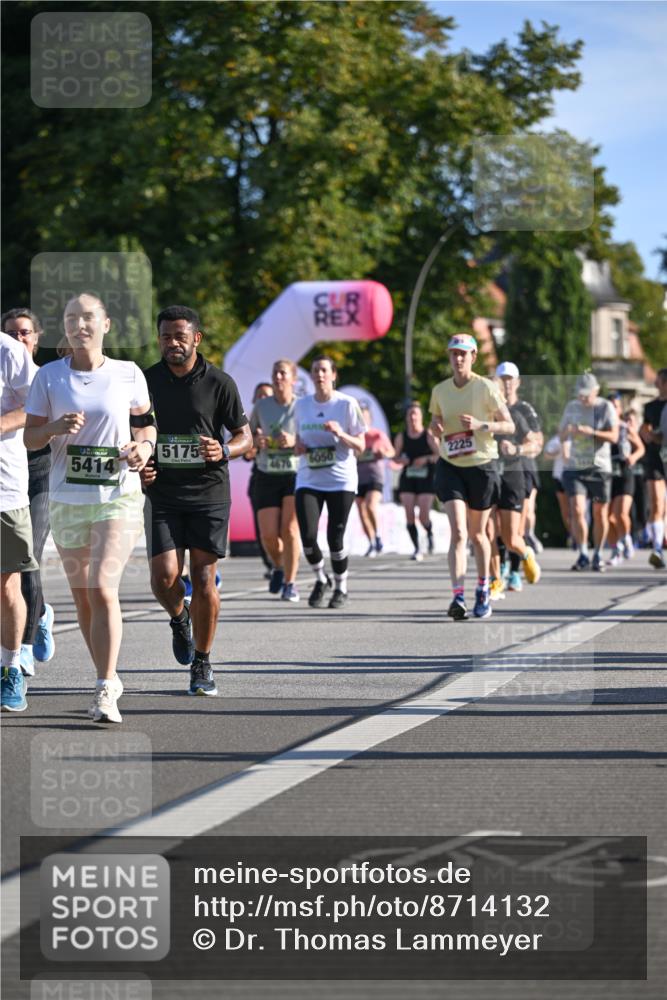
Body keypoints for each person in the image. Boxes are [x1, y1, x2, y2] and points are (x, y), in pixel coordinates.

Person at [24, 293, 156, 723]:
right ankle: (105, 675)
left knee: (102, 587)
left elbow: (146, 422)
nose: (79, 324)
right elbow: (29, 438)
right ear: (63, 327)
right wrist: (54, 428)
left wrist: (143, 447)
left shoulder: (127, 373)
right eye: (70, 318)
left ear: (106, 325)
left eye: (88, 317)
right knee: (83, 598)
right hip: (67, 497)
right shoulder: (49, 376)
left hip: (117, 494)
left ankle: (105, 685)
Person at [141, 305, 251, 695]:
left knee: (204, 577)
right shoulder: (145, 381)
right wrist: (141, 466)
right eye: (166, 336)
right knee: (163, 579)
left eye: (180, 336)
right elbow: (132, 432)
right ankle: (178, 617)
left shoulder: (220, 383)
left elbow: (245, 437)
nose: (172, 343)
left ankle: (202, 663)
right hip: (163, 492)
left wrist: (224, 449)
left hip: (209, 493)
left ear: (196, 339)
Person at [429, 333, 514, 620]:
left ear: (474, 357)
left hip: (481, 466)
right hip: (450, 465)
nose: (459, 359)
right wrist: (436, 426)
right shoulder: (440, 390)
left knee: (478, 535)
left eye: (464, 354)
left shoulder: (486, 388)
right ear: (449, 356)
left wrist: (482, 424)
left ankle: (483, 589)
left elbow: (509, 425)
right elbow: (434, 423)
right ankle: (457, 596)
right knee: (459, 532)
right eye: (454, 353)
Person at [1, 309, 55, 675]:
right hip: (17, 465)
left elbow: (38, 408)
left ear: (35, 337)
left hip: (36, 470)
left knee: (28, 561)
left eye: (26, 332)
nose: (21, 338)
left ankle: (19, 650)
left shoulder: (18, 360)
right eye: (13, 331)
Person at [294, 355, 365, 609]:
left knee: (336, 538)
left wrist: (340, 433)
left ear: (333, 375)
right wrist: (297, 446)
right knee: (309, 536)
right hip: (308, 478)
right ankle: (321, 578)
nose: (319, 375)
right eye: (315, 370)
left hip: (340, 479)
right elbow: (297, 442)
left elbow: (361, 445)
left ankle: (341, 586)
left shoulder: (347, 404)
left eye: (324, 370)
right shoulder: (301, 405)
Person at [1, 332, 38, 712]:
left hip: (4, 491)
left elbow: (35, 407)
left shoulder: (8, 350)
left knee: (7, 586)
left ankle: (11, 668)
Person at [250, 359, 301, 602]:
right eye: (275, 373)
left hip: (295, 473)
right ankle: (279, 566)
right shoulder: (261, 407)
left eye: (282, 373)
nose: (277, 377)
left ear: (293, 379)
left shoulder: (303, 407)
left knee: (289, 530)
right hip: (266, 473)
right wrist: (256, 443)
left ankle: (290, 583)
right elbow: (247, 444)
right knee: (269, 535)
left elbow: (313, 440)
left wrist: (294, 442)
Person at [559, 372, 619, 572]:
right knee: (577, 509)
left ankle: (598, 553)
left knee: (599, 512)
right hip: (575, 466)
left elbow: (614, 436)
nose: (582, 398)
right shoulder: (571, 407)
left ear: (596, 391)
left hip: (600, 467)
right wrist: (568, 433)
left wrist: (591, 432)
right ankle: (583, 552)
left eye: (586, 394)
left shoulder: (606, 407)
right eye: (580, 394)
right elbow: (561, 434)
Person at [493, 362, 541, 592]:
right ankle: (499, 569)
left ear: (518, 382)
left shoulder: (524, 410)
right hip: (494, 472)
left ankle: (514, 570)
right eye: (502, 378)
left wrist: (517, 450)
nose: (506, 382)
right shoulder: (490, 408)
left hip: (522, 470)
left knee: (516, 527)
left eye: (510, 378)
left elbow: (537, 443)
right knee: (495, 527)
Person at [394, 401, 439, 561]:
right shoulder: (402, 436)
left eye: (416, 414)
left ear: (421, 417)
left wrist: (425, 459)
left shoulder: (428, 435)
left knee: (423, 516)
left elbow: (440, 455)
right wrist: (401, 460)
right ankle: (417, 548)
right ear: (407, 418)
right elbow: (395, 458)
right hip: (408, 478)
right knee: (409, 514)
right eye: (410, 414)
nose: (413, 417)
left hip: (426, 478)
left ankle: (429, 533)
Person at [607, 394, 645, 565]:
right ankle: (616, 549)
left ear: (620, 409)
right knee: (609, 517)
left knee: (621, 512)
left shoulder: (624, 428)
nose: (613, 409)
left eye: (616, 406)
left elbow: (640, 448)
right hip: (608, 473)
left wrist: (633, 457)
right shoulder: (603, 427)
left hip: (625, 471)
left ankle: (627, 539)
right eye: (610, 406)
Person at [244, 382, 275, 580]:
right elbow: (247, 455)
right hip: (261, 479)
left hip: (288, 480)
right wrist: (256, 443)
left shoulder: (286, 417)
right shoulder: (251, 424)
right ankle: (271, 565)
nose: (263, 399)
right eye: (260, 396)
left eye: (267, 396)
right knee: (264, 530)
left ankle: (285, 565)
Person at [356, 403, 394, 557]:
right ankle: (371, 541)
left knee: (370, 505)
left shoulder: (378, 435)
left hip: (375, 476)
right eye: (360, 418)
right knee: (361, 509)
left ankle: (378, 535)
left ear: (370, 419)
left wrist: (383, 452)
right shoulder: (355, 436)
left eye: (365, 417)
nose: (363, 421)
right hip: (358, 477)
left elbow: (391, 452)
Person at [639, 368, 667, 569]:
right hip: (655, 459)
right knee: (656, 502)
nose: (655, 383)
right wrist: (646, 434)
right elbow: (645, 428)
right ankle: (657, 548)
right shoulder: (650, 407)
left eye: (658, 381)